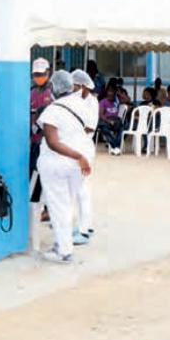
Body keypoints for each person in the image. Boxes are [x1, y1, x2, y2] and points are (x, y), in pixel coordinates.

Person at [37, 71, 92, 263]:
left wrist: (77, 155)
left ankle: (65, 252)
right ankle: (61, 243)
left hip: (58, 163)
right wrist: (81, 156)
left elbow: (52, 142)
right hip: (79, 165)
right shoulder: (82, 105)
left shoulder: (52, 110)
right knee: (66, 205)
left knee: (58, 206)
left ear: (54, 87)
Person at [70, 69, 98, 246]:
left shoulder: (91, 102)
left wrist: (72, 130)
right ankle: (84, 225)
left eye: (75, 87)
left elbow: (90, 127)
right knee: (80, 189)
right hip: (78, 146)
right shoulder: (79, 100)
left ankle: (84, 229)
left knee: (81, 190)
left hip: (84, 148)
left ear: (82, 86)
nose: (73, 90)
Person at [29, 58, 52, 209]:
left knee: (46, 175)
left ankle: (46, 207)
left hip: (47, 140)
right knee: (32, 172)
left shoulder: (52, 92)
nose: (38, 77)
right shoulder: (31, 92)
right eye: (36, 75)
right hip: (33, 140)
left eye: (41, 74)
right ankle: (34, 204)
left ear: (48, 73)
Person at [98, 87, 123, 155]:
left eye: (112, 96)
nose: (111, 97)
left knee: (121, 128)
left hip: (115, 119)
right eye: (109, 95)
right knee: (105, 129)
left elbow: (127, 100)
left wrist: (119, 94)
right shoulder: (102, 102)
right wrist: (109, 121)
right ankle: (115, 146)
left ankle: (115, 148)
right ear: (106, 95)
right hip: (106, 120)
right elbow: (101, 115)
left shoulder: (116, 101)